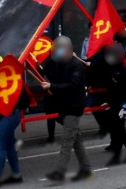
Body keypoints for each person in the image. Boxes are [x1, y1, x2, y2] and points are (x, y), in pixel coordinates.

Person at [41, 36, 91, 182]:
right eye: (55, 48)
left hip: (74, 107)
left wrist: (52, 87)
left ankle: (59, 173)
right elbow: (48, 74)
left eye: (61, 48)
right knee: (76, 140)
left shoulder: (77, 66)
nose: (57, 51)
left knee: (67, 140)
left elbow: (72, 85)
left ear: (69, 50)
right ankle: (86, 169)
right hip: (63, 106)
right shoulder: (55, 64)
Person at [0, 62, 30, 187]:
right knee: (9, 146)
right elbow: (26, 99)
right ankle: (16, 175)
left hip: (5, 117)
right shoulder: (13, 78)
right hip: (14, 115)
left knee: (0, 147)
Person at [91, 42, 126, 165]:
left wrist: (125, 105)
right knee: (119, 129)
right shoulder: (111, 68)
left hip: (123, 104)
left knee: (118, 128)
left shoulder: (124, 70)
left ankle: (118, 156)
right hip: (114, 102)